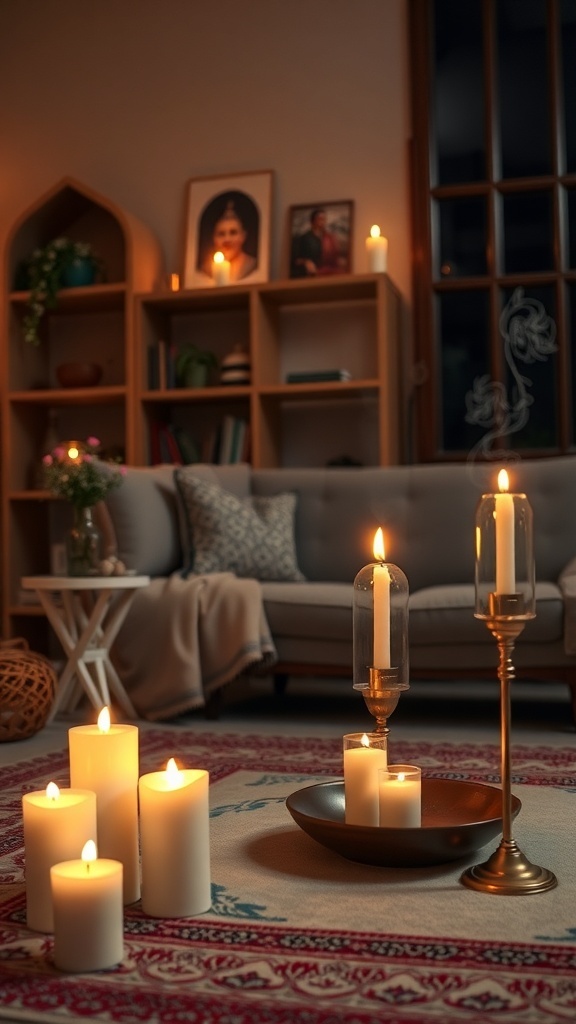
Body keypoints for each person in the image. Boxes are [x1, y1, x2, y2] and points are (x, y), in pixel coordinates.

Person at [201, 201, 257, 283]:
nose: (227, 239)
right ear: (214, 238)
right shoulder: (205, 270)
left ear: (243, 236)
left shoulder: (253, 265)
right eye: (221, 234)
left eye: (233, 233)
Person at [290, 208, 344, 278]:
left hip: (327, 271)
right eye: (320, 219)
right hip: (310, 273)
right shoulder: (304, 238)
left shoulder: (328, 238)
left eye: (324, 219)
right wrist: (306, 262)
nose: (323, 222)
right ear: (313, 221)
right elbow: (295, 260)